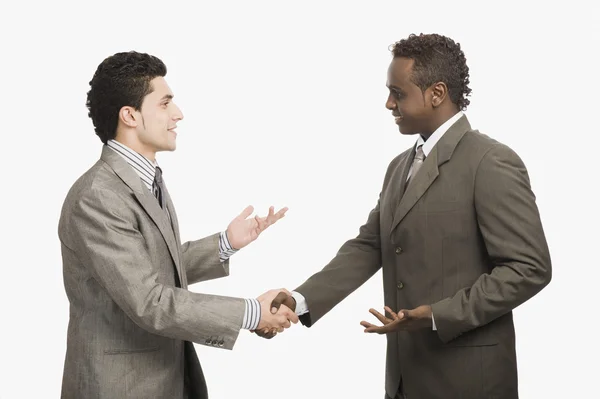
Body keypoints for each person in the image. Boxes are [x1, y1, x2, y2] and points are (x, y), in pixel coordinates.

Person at [258, 33, 552, 399]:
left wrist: (436, 315)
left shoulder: (490, 162)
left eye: (398, 93)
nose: (388, 103)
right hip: (404, 378)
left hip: (469, 380)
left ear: (437, 93)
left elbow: (529, 268)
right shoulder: (399, 167)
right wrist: (300, 300)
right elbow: (369, 245)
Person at [58, 51, 297, 399]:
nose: (178, 114)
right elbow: (150, 301)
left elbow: (147, 267)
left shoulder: (145, 178)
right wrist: (252, 312)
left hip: (164, 378)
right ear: (129, 115)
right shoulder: (97, 196)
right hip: (120, 387)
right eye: (165, 103)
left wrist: (225, 243)